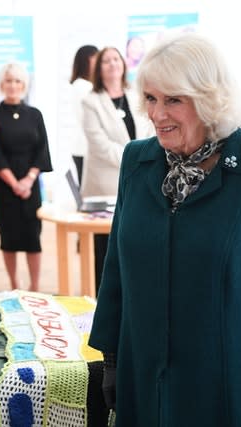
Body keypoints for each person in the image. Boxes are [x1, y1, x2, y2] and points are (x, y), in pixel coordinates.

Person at [89, 33, 241, 426]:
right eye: (151, 99)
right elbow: (117, 267)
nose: (156, 114)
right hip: (144, 381)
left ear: (208, 100)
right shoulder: (137, 161)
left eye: (174, 99)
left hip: (224, 388)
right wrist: (112, 360)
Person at [80, 46, 153, 293]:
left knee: (134, 240)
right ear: (99, 68)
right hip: (104, 184)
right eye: (106, 61)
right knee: (105, 246)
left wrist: (144, 159)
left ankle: (130, 293)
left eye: (116, 59)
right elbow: (99, 143)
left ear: (123, 64)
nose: (112, 64)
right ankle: (102, 297)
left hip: (140, 180)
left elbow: (150, 129)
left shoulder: (136, 94)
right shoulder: (91, 101)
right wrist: (136, 159)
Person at [0, 63, 53, 291]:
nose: (13, 85)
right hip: (5, 186)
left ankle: (35, 286)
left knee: (33, 238)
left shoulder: (35, 115)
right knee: (9, 239)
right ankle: (14, 284)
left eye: (17, 81)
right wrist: (14, 183)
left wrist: (28, 179)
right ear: (1, 84)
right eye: (8, 81)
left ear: (24, 84)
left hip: (30, 184)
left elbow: (42, 148)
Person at [68, 45, 98, 183]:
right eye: (96, 59)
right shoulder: (83, 86)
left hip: (83, 148)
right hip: (85, 149)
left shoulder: (81, 85)